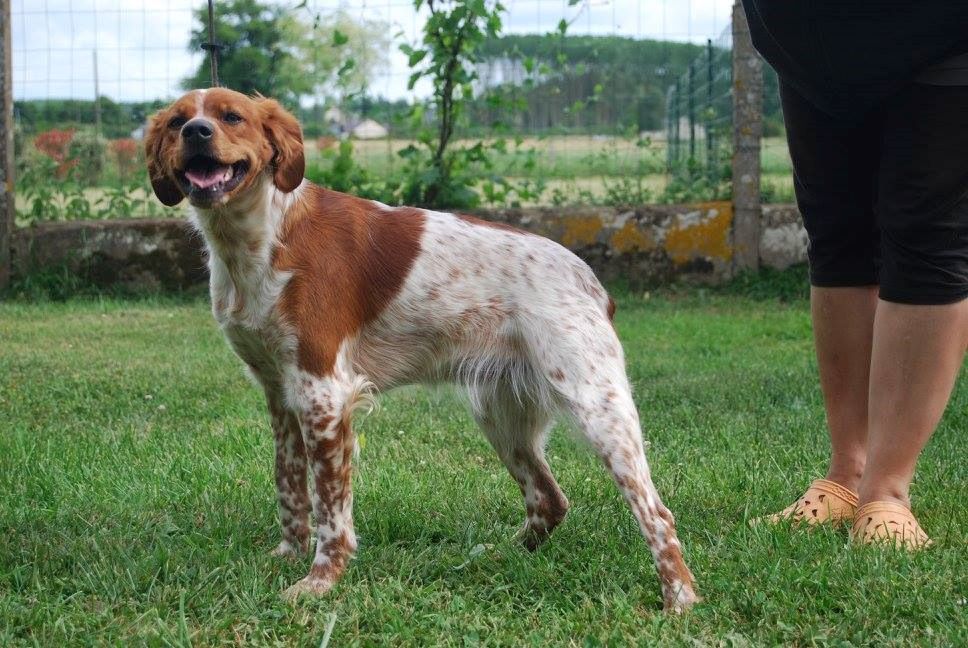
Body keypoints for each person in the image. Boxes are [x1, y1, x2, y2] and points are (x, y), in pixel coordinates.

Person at [741, 1, 968, 548]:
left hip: (941, 32)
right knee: (837, 237)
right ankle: (847, 473)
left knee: (927, 234)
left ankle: (887, 490)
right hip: (809, 45)